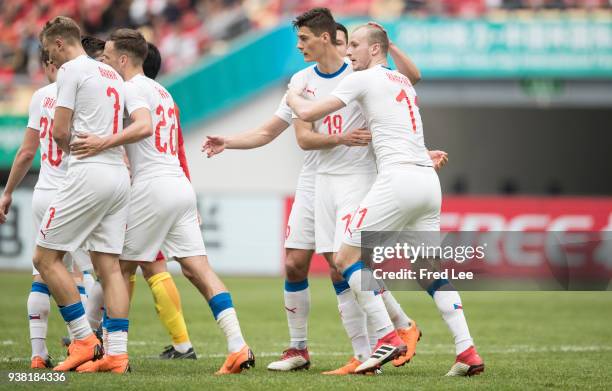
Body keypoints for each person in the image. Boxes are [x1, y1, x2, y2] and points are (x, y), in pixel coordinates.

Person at [203, 13, 446, 373]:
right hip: (315, 179)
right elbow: (285, 135)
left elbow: (407, 90)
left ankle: (375, 347)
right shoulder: (301, 81)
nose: (299, 46)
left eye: (304, 38)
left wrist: (417, 153)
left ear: (327, 38)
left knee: (340, 264)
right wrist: (230, 141)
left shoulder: (361, 75)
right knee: (294, 263)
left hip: (357, 177)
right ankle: (298, 349)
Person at [287, 23, 484, 376]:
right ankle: (467, 350)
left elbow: (308, 114)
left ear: (375, 50)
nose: (349, 53)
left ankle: (388, 337)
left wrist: (293, 95)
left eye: (356, 46)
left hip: (398, 180)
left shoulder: (364, 78)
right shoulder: (401, 81)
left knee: (344, 259)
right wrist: (388, 44)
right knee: (428, 271)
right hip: (427, 179)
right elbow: (415, 74)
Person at [70, 28, 254, 374]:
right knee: (198, 269)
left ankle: (112, 353)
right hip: (178, 186)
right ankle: (237, 346)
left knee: (117, 269)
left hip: (153, 185)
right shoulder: (162, 90)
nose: (105, 63)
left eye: (108, 57)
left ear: (123, 59)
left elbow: (142, 126)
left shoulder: (132, 88)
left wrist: (101, 142)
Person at [37, 16, 131, 373]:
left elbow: (60, 130)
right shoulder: (111, 74)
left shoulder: (71, 71)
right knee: (109, 268)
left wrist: (71, 150)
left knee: (45, 259)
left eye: (50, 51)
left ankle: (84, 341)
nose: (51, 60)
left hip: (88, 172)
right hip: (117, 174)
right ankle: (117, 355)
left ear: (60, 44)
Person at [0, 48, 94, 369]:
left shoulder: (40, 96)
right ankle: (82, 345)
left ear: (48, 64)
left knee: (41, 274)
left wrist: (8, 192)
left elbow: (27, 153)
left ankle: (38, 354)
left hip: (43, 192)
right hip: (73, 193)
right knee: (79, 275)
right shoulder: (84, 93)